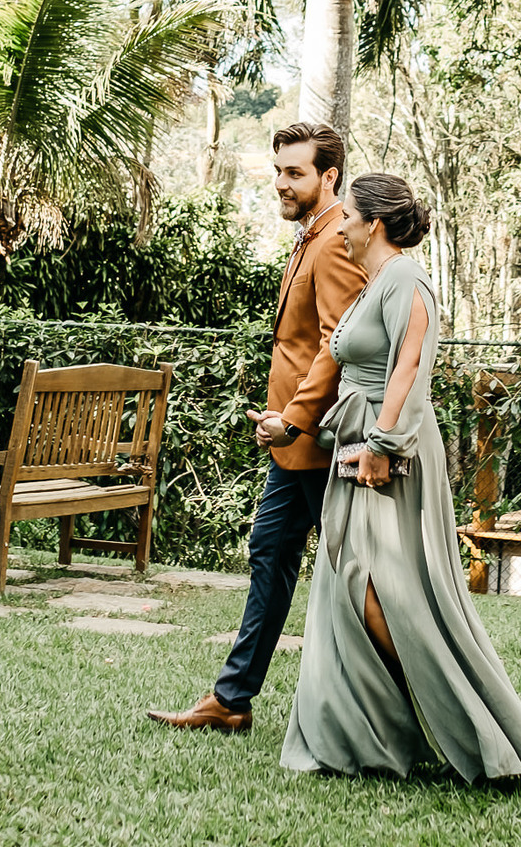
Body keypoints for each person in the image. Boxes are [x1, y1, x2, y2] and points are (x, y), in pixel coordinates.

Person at [281, 172, 521, 786]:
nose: (343, 224)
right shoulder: (376, 281)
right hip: (359, 444)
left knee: (379, 587)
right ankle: (371, 730)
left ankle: (458, 714)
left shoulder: (407, 279)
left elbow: (412, 367)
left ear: (373, 224)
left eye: (349, 215)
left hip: (389, 453)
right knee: (351, 581)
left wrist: (382, 444)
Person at [147, 120, 365, 734]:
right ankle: (233, 698)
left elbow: (339, 343)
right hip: (291, 446)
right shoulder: (308, 236)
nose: (281, 183)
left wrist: (296, 420)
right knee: (270, 555)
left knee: (354, 580)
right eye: (278, 171)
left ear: (329, 177)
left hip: (318, 444)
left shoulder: (333, 242)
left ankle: (391, 703)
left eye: (295, 172)